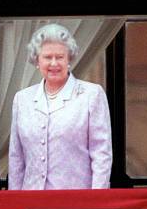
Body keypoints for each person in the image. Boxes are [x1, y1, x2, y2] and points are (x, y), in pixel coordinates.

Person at [8, 23, 112, 190]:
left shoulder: (91, 95)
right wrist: (15, 203)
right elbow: (16, 158)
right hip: (32, 202)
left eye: (60, 57)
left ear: (69, 58)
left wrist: (96, 202)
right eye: (48, 57)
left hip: (76, 203)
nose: (54, 63)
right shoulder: (22, 99)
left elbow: (101, 155)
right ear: (37, 60)